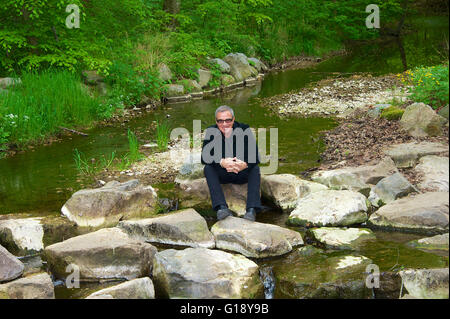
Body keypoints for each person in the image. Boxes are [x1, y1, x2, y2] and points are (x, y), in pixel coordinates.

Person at [201, 105, 261, 221]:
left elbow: (256, 156)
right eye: (220, 121)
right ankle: (221, 208)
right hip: (223, 173)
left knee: (255, 168)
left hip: (242, 172)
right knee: (208, 168)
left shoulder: (244, 129)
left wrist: (245, 164)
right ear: (216, 121)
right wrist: (221, 162)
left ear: (233, 119)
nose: (224, 124)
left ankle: (251, 209)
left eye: (228, 120)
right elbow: (204, 157)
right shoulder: (211, 131)